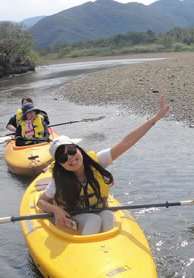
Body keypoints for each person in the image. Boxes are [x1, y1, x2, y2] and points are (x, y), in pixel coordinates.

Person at [36, 94, 170, 236]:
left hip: (98, 211)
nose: (70, 157)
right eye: (63, 157)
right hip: (74, 218)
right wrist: (56, 210)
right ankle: (86, 251)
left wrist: (155, 119)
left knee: (107, 215)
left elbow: (126, 143)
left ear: (78, 150)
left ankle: (106, 249)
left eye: (71, 150)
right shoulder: (59, 180)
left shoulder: (97, 162)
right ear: (60, 164)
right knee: (93, 220)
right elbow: (41, 202)